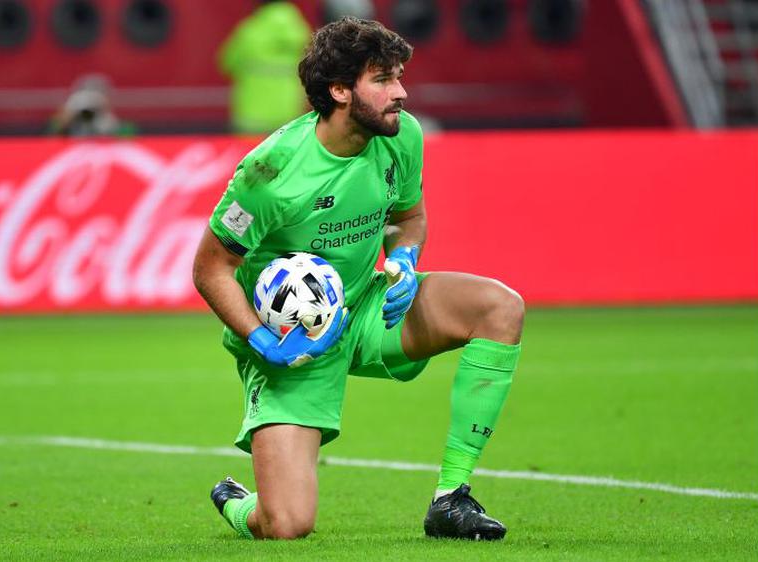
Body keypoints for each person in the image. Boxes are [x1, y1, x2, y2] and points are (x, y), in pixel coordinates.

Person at [192, 16, 524, 541]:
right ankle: (239, 503)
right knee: (287, 525)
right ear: (340, 90)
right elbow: (211, 267)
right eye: (384, 80)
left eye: (399, 77)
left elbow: (408, 219)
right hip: (291, 341)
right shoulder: (271, 174)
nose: (402, 92)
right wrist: (261, 339)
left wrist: (405, 264)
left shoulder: (400, 136)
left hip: (368, 306)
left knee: (500, 307)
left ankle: (451, 499)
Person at [217, 0, 311, 134]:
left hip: (251, 119)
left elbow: (226, 63)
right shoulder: (301, 33)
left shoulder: (249, 32)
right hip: (289, 118)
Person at [47, 74, 135, 138]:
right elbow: (55, 132)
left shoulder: (107, 119)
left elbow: (123, 135)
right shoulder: (75, 105)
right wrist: (68, 119)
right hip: (75, 143)